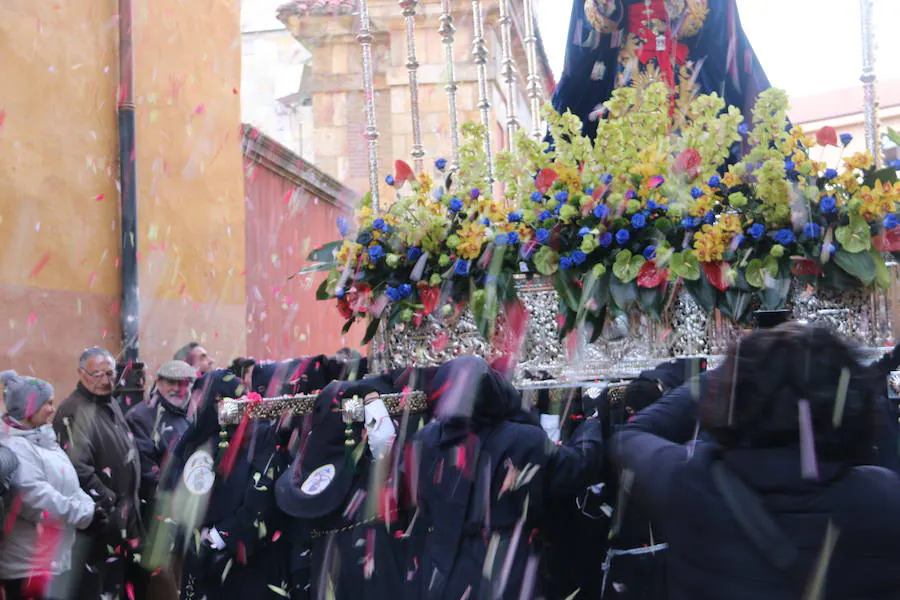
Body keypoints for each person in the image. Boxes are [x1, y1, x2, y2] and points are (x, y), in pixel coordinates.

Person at [611, 323, 900, 599]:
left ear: (732, 401)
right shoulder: (882, 500)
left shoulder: (691, 485)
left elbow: (630, 437)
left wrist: (721, 376)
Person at [412, 356, 604, 600]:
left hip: (442, 571)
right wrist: (592, 421)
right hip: (502, 571)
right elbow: (576, 467)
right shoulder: (521, 439)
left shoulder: (425, 439)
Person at [552, 0, 769, 139]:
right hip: (629, 66)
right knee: (628, 137)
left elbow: (709, 20)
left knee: (688, 138)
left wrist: (680, 8)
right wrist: (605, 6)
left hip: (680, 67)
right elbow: (595, 24)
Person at [167, 369, 289, 599]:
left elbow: (260, 494)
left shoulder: (260, 435)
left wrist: (221, 535)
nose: (194, 405)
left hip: (244, 557)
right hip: (198, 554)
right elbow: (176, 485)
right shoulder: (194, 437)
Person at [0, 371, 101, 600]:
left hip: (53, 560)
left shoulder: (43, 439)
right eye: (48, 403)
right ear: (29, 408)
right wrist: (85, 515)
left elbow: (70, 483)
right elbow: (35, 499)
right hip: (27, 565)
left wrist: (89, 505)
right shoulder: (13, 447)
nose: (53, 409)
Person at [53, 347, 143, 598]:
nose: (105, 380)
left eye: (110, 374)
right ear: (82, 374)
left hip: (125, 517)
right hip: (100, 524)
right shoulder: (73, 410)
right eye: (97, 374)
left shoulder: (109, 402)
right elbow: (76, 467)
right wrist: (109, 503)